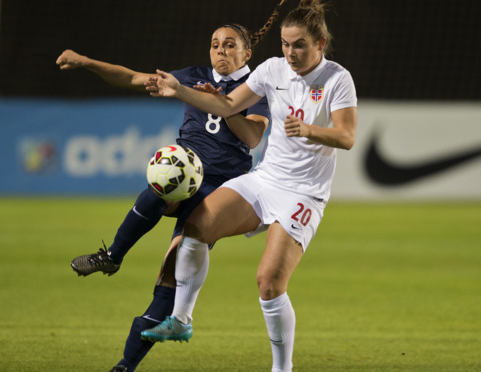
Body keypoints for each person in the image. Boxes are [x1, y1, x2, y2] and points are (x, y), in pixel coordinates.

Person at [56, 2, 286, 370]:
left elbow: (254, 138)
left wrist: (222, 105)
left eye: (229, 44)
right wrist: (87, 62)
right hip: (188, 175)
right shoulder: (191, 75)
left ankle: (125, 365)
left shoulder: (255, 85)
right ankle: (113, 256)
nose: (220, 50)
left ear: (247, 52)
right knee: (162, 183)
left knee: (170, 275)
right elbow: (132, 78)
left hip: (223, 190)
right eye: (215, 43)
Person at [140, 1, 358, 371]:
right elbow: (226, 106)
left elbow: (347, 136)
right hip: (266, 179)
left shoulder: (338, 79)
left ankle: (281, 368)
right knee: (197, 224)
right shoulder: (272, 69)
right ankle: (181, 320)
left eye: (300, 45)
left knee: (269, 283)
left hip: (304, 193)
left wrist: (308, 130)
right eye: (286, 44)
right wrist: (180, 90)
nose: (290, 53)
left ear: (320, 43)